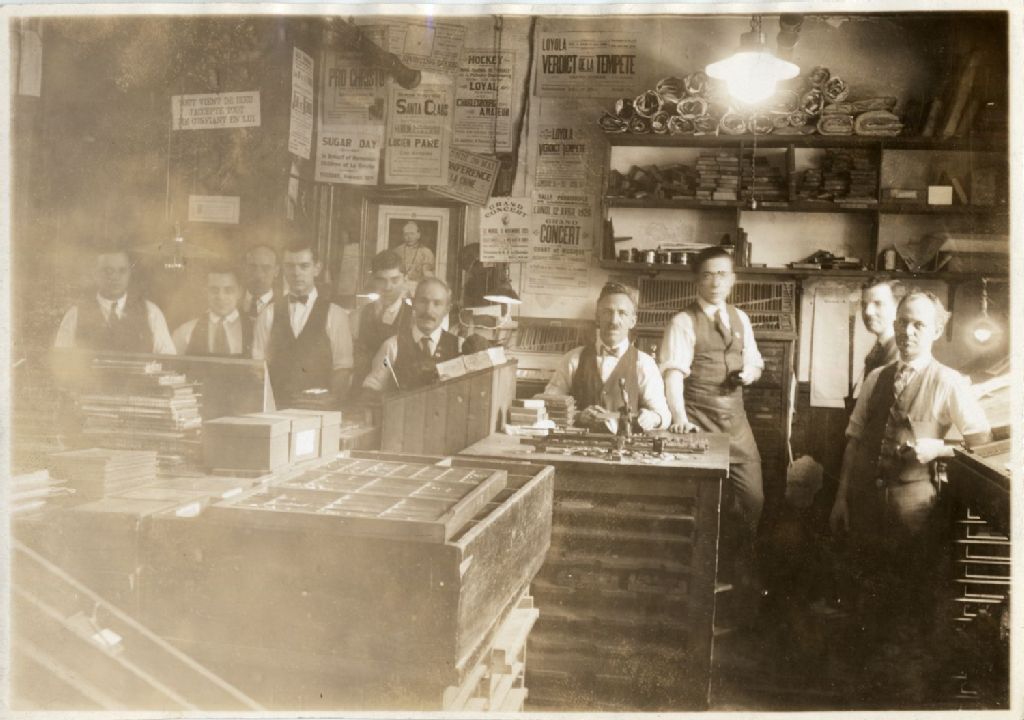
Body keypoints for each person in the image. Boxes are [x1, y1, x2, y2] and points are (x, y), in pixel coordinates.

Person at [829, 291, 990, 639]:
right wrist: (841, 499)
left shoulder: (948, 381)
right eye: (902, 322)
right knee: (864, 601)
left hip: (915, 510)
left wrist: (940, 449)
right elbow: (854, 442)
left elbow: (982, 443)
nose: (908, 332)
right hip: (865, 505)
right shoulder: (876, 378)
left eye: (919, 324)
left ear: (936, 331)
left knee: (908, 606)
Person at [659, 246, 764, 602]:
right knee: (702, 507)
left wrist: (750, 373)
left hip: (736, 423)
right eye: (707, 275)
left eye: (722, 274)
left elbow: (755, 361)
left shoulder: (741, 318)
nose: (715, 282)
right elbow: (673, 374)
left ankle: (736, 576)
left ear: (733, 279)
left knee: (752, 500)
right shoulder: (683, 322)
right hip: (699, 421)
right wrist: (679, 418)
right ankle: (702, 582)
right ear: (696, 280)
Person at [544, 282, 670, 434]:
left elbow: (664, 416)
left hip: (627, 447)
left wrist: (652, 418)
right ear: (597, 318)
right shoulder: (572, 359)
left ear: (633, 321)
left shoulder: (644, 364)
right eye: (607, 312)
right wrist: (577, 416)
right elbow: (547, 405)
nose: (614, 321)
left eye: (622, 313)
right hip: (579, 445)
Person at [251, 243, 354, 407]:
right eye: (290, 266)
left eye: (304, 266)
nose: (296, 273)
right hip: (276, 409)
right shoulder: (268, 314)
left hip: (319, 410)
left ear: (317, 268)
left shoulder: (336, 315)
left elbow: (342, 368)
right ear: (283, 269)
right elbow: (258, 367)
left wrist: (328, 405)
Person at [55, 245, 176, 354]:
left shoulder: (151, 312)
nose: (115, 277)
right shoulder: (75, 314)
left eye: (122, 271)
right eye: (108, 271)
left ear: (129, 273)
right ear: (95, 274)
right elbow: (61, 361)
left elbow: (169, 360)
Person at [362, 277, 462, 393]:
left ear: (447, 309)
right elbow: (373, 385)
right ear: (413, 303)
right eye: (423, 301)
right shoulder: (392, 347)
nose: (428, 310)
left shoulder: (459, 347)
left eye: (437, 304)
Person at [352, 249, 412, 388]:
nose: (388, 287)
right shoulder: (357, 317)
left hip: (399, 395)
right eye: (381, 280)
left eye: (395, 280)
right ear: (373, 280)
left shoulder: (414, 319)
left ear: (405, 279)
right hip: (362, 393)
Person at [172, 266, 252, 357]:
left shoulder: (255, 328)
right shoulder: (185, 332)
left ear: (239, 292)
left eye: (228, 290)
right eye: (214, 290)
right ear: (205, 292)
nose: (221, 297)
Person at [858, 276, 903, 385]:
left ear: (898, 307)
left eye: (878, 304)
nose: (868, 312)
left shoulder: (900, 353)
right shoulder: (879, 348)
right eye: (864, 305)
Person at [240, 243, 281, 319]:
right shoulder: (233, 302)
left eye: (266, 268)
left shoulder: (284, 307)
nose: (259, 275)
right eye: (252, 267)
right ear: (244, 268)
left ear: (276, 271)